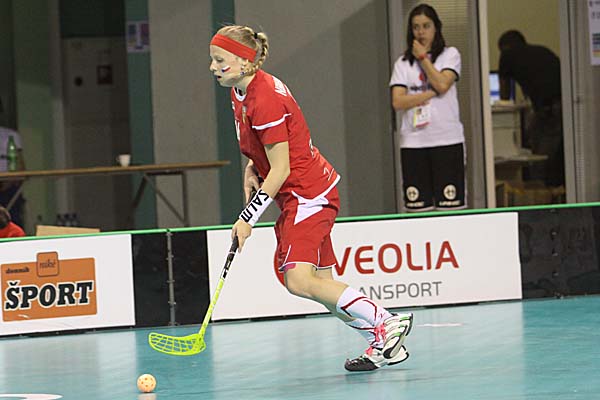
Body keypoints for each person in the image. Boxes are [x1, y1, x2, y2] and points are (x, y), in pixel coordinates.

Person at [209, 25, 413, 371]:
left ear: (243, 61)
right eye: (213, 60)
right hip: (303, 192)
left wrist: (247, 219)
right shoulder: (240, 92)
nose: (213, 67)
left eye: (219, 60)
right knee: (323, 284)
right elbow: (270, 148)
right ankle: (382, 341)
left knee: (299, 280)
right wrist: (251, 167)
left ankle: (386, 321)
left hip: (306, 194)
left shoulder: (264, 98)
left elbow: (281, 168)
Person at [389, 4, 466, 212]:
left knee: (450, 207)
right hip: (414, 143)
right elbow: (398, 102)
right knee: (417, 208)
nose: (421, 32)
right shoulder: (402, 63)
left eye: (426, 26)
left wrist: (423, 58)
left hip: (447, 140)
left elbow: (442, 83)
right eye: (416, 27)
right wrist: (429, 94)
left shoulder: (450, 55)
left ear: (436, 28)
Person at [498, 30, 564, 188]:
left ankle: (541, 189)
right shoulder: (542, 51)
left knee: (541, 151)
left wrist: (503, 103)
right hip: (565, 104)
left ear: (505, 47)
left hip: (548, 108)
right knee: (555, 148)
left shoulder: (507, 55)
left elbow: (505, 92)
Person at [0, 126, 26, 228]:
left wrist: (9, 181)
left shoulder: (11, 135)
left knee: (13, 219)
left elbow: (21, 167)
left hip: (9, 185)